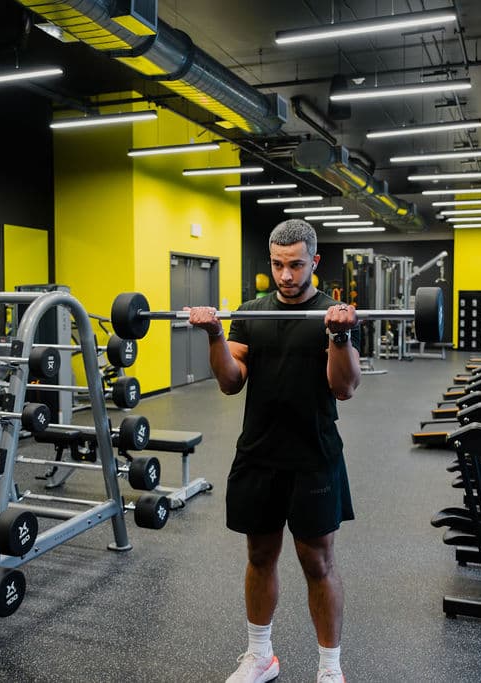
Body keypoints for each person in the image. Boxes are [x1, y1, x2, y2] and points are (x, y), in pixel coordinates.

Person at [187, 219, 361, 683]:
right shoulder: (251, 313)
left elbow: (344, 388)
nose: (286, 275)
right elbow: (230, 382)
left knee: (318, 562)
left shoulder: (334, 315)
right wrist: (215, 335)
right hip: (259, 453)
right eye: (279, 264)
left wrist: (339, 336)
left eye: (296, 265)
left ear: (314, 262)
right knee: (260, 555)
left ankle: (330, 669)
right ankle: (260, 656)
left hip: (313, 454)